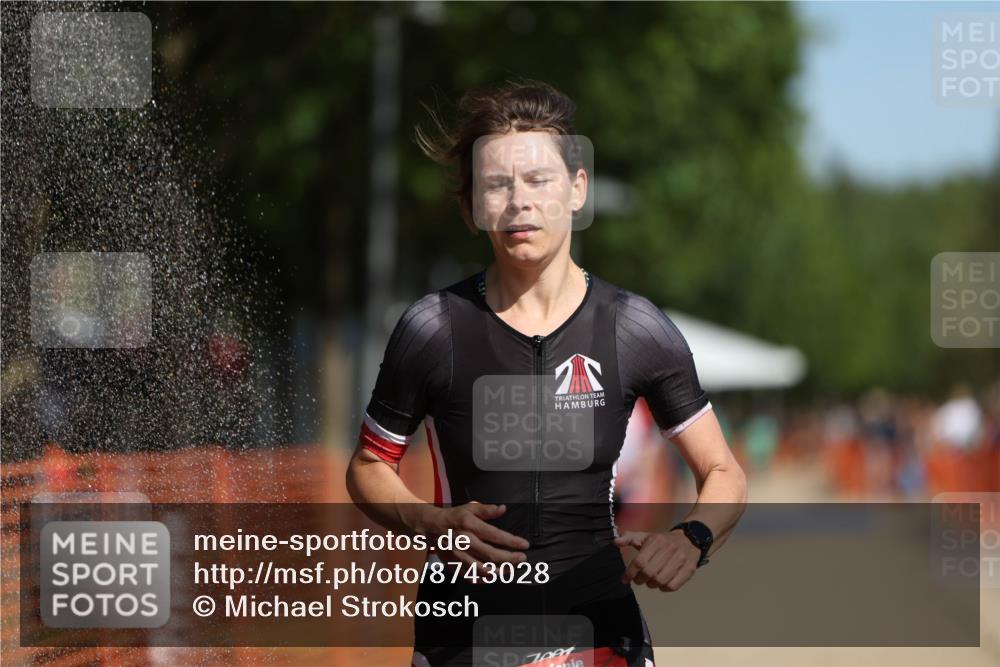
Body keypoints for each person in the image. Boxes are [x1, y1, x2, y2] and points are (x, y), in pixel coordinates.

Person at [346, 80, 748, 667]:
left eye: (538, 179)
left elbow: (723, 472)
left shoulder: (632, 327)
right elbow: (366, 467)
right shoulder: (434, 329)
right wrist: (427, 519)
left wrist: (692, 539)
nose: (518, 200)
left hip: (599, 634)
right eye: (496, 184)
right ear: (471, 207)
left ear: (577, 190)